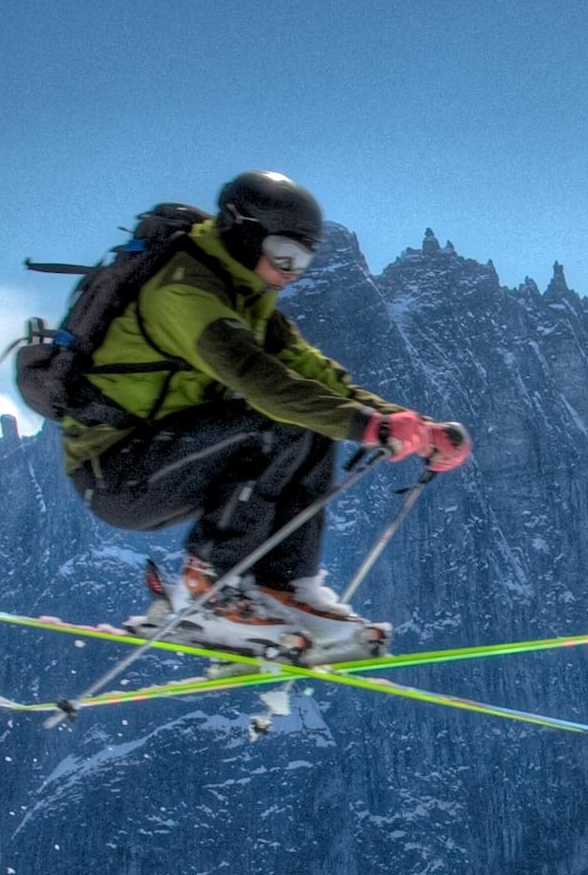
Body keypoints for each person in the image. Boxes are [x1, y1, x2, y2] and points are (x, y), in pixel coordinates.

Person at [61, 170, 470, 657]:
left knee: (313, 417)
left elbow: (317, 377)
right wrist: (372, 427)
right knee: (277, 416)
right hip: (117, 472)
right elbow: (261, 381)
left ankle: (286, 588)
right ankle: (208, 590)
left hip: (174, 455)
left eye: (303, 260)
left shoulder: (249, 299)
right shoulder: (184, 292)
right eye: (285, 256)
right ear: (243, 231)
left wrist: (409, 424)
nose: (292, 273)